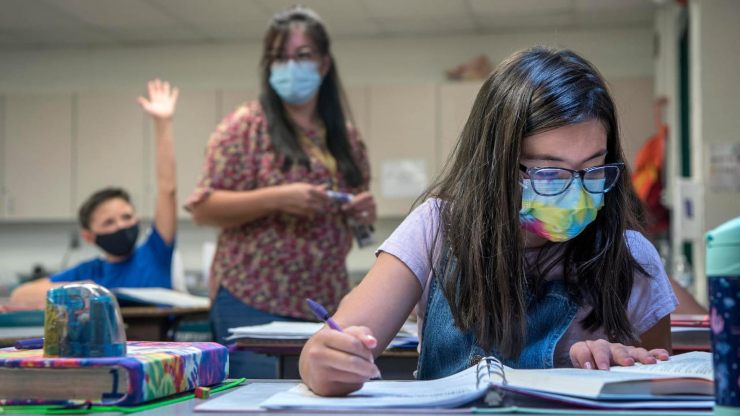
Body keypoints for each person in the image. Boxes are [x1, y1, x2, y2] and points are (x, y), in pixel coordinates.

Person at [299, 46, 679, 396]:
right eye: (551, 174)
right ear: (496, 166)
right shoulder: (436, 227)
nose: (576, 194)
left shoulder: (630, 257)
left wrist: (618, 365)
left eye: (594, 169)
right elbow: (334, 345)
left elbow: (662, 388)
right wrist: (322, 362)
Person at [187, 5, 374, 378]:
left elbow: (353, 205)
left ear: (323, 64)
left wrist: (361, 213)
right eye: (279, 57)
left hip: (325, 301)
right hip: (252, 299)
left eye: (302, 56)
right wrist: (277, 198)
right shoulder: (244, 127)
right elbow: (204, 207)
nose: (290, 66)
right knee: (255, 399)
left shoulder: (345, 138)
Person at [9, 79, 179, 308]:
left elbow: (167, 190)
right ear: (89, 236)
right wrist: (84, 291)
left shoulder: (155, 254)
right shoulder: (89, 273)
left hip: (158, 342)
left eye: (127, 217)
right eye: (109, 222)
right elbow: (20, 297)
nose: (120, 226)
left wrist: (163, 124)